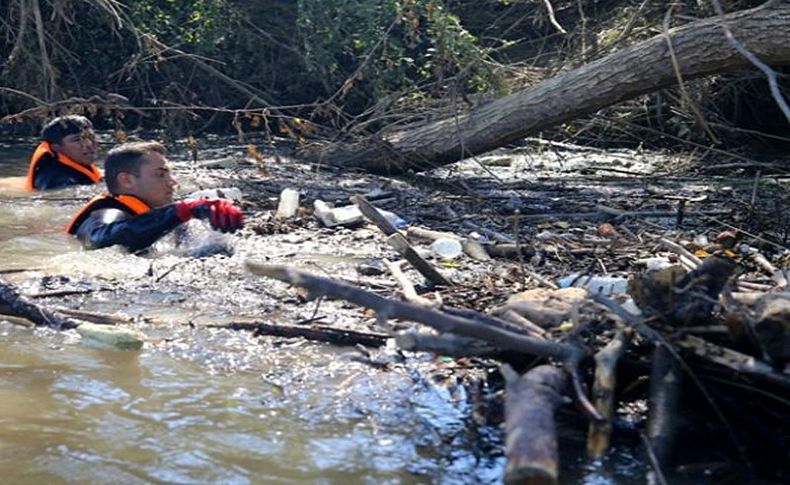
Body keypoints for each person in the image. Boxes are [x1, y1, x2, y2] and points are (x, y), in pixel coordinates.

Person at [66, 141, 243, 252]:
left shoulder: (155, 214)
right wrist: (183, 210)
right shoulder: (107, 212)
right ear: (126, 180)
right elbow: (96, 240)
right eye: (160, 175)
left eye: (169, 174)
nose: (172, 182)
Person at [26, 115, 103, 190]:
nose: (89, 144)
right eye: (77, 140)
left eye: (91, 137)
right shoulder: (57, 182)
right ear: (56, 148)